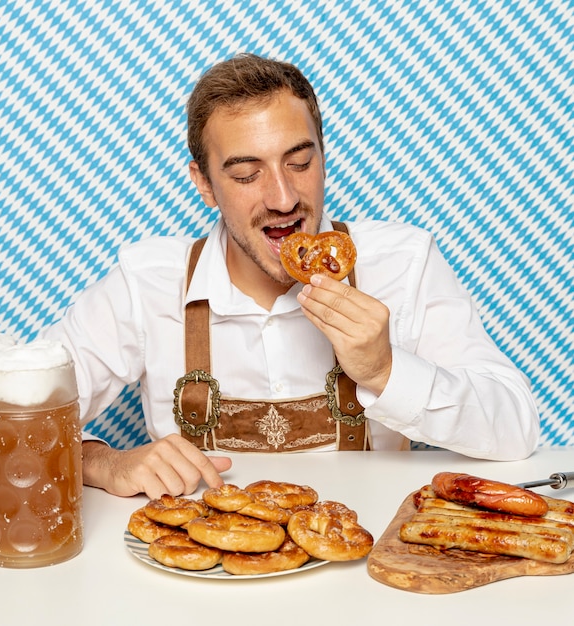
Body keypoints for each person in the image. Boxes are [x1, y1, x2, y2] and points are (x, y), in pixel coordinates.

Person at [42, 53, 539, 499]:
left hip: (366, 567)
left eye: (299, 162)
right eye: (245, 175)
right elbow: (6, 409)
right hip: (203, 571)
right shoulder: (146, 283)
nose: (283, 198)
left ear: (323, 156)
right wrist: (104, 463)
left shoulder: (403, 262)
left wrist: (384, 369)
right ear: (204, 184)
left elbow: (516, 427)